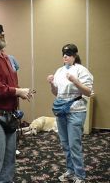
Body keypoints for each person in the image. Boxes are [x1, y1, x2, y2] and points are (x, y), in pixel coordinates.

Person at [0, 21, 34, 183]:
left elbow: (7, 85)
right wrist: (17, 91)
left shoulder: (4, 57)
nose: (2, 33)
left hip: (8, 117)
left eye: (2, 29)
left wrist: (19, 92)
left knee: (9, 163)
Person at [47, 44, 93, 183]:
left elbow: (88, 92)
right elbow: (56, 93)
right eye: (64, 54)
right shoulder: (59, 71)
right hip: (62, 111)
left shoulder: (81, 70)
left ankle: (80, 175)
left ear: (75, 55)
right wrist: (51, 84)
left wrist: (75, 81)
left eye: (69, 54)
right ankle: (70, 170)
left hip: (76, 111)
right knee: (65, 143)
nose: (65, 56)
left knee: (74, 144)